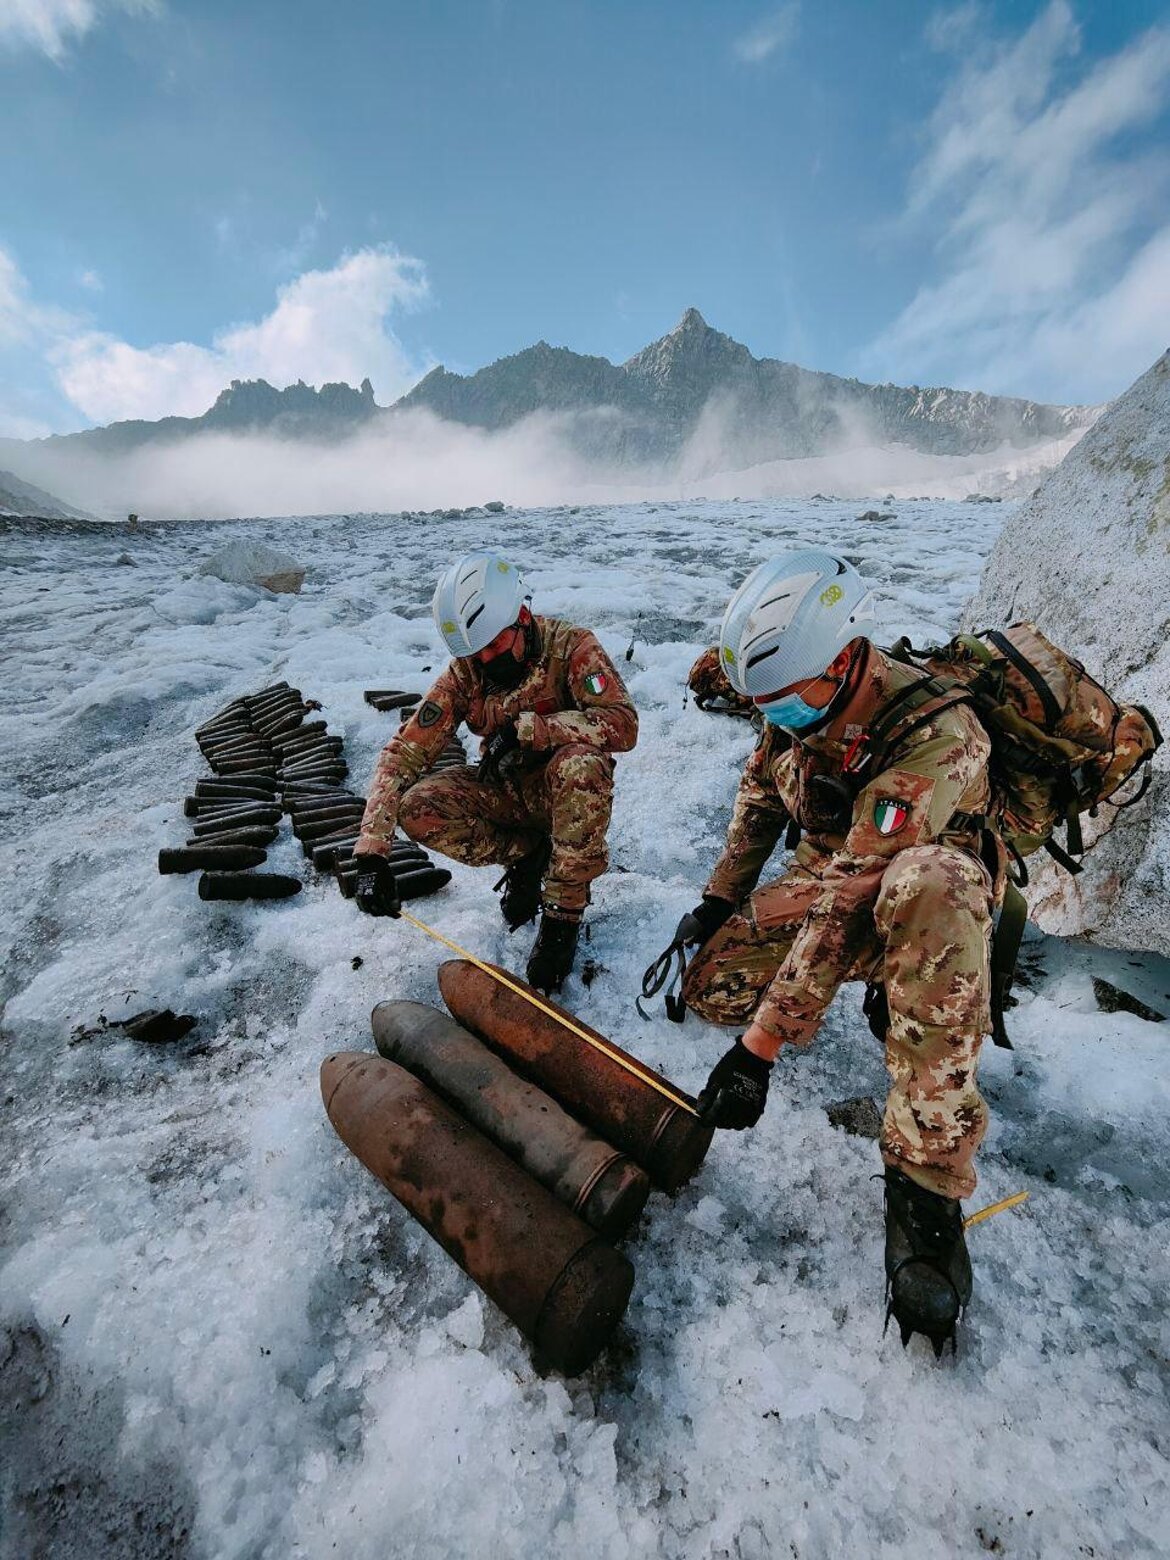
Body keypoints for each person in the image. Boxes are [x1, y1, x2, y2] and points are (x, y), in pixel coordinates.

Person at [677, 548, 1001, 1354]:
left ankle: (926, 1184)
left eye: (786, 704)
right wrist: (718, 898)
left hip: (923, 886)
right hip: (835, 870)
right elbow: (760, 798)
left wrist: (760, 1050)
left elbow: (853, 894)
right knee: (714, 989)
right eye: (768, 707)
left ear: (846, 657)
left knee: (921, 888)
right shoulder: (799, 703)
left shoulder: (939, 737)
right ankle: (877, 978)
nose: (776, 719)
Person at [353, 549, 638, 992]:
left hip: (565, 793)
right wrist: (372, 851)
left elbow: (622, 725)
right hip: (504, 789)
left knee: (581, 765)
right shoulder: (466, 672)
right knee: (418, 807)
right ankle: (527, 855)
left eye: (494, 644)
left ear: (522, 615)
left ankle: (563, 913)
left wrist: (533, 729)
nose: (486, 658)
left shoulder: (573, 647)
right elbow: (404, 753)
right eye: (476, 650)